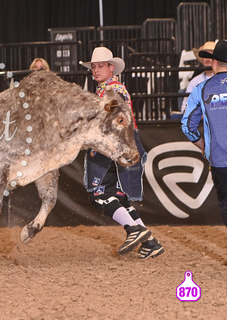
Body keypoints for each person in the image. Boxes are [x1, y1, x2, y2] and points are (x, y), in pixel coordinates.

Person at [81, 47, 164, 259]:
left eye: (100, 66)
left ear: (111, 68)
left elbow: (108, 114)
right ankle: (150, 242)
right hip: (123, 143)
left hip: (113, 145)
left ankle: (134, 230)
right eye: (93, 67)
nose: (96, 70)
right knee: (117, 195)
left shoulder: (111, 89)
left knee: (98, 192)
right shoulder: (111, 89)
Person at [182, 40, 227, 227]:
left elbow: (188, 127)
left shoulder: (202, 88)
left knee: (226, 204)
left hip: (219, 158)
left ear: (214, 63)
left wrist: (203, 145)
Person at [180, 41, 216, 113]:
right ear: (202, 59)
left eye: (210, 56)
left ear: (216, 60)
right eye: (205, 56)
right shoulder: (194, 82)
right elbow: (185, 106)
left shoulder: (224, 79)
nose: (207, 59)